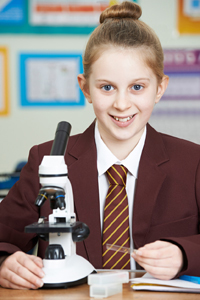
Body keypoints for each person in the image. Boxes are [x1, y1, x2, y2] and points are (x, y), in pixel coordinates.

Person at [0, 1, 200, 290]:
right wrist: (5, 263)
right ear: (85, 88)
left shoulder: (192, 162)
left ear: (160, 88)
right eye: (107, 87)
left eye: (137, 87)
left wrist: (184, 254)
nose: (121, 104)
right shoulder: (46, 158)